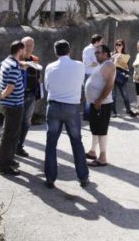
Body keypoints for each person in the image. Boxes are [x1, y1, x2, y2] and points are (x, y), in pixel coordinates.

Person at [43, 39, 89, 189]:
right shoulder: (79, 65)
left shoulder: (50, 67)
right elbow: (82, 83)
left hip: (54, 106)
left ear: (56, 52)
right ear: (69, 50)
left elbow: (47, 86)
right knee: (76, 142)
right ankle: (83, 177)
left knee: (51, 143)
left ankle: (50, 178)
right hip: (72, 107)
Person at [0, 40, 26, 176]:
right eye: (24, 50)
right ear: (20, 50)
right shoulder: (14, 66)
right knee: (9, 136)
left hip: (11, 104)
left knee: (12, 135)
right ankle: (4, 165)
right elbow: (10, 87)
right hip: (14, 105)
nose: (25, 52)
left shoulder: (6, 62)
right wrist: (1, 96)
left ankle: (9, 160)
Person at [85, 49, 116, 167]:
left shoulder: (109, 64)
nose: (96, 54)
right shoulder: (102, 65)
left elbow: (109, 85)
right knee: (95, 128)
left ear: (105, 54)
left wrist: (100, 100)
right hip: (96, 103)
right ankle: (93, 152)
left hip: (102, 103)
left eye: (98, 53)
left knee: (102, 130)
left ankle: (103, 158)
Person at [16, 36, 42, 157]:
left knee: (26, 122)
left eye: (31, 45)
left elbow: (38, 78)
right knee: (15, 122)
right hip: (17, 96)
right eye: (26, 45)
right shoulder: (15, 59)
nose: (29, 48)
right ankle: (10, 146)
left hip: (30, 95)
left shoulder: (35, 60)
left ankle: (19, 146)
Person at [111, 38, 136, 117]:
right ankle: (114, 112)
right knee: (113, 96)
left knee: (125, 95)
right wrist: (115, 58)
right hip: (112, 77)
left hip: (121, 77)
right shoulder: (112, 54)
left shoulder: (126, 56)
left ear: (123, 46)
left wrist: (119, 59)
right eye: (116, 45)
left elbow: (126, 67)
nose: (118, 46)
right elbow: (110, 65)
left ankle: (128, 110)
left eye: (119, 45)